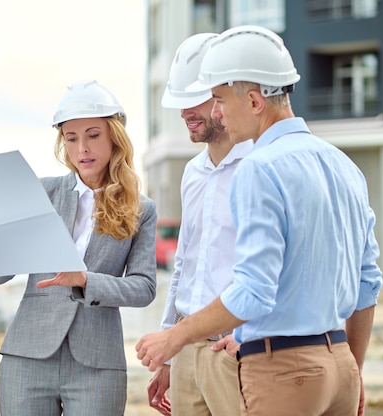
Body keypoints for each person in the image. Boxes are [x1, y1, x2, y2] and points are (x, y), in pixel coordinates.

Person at [136, 25, 383, 416]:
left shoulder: (259, 167)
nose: (215, 110)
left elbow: (253, 291)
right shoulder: (345, 165)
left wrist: (173, 337)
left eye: (217, 99)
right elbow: (367, 283)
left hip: (281, 366)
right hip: (338, 363)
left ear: (253, 101)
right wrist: (352, 365)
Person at [0, 80, 157, 416]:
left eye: (93, 135)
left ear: (115, 136)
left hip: (97, 363)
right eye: (71, 138)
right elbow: (2, 270)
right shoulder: (41, 192)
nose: (81, 148)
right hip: (27, 357)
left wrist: (86, 280)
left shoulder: (141, 209)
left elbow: (144, 288)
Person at [147, 33, 252, 416]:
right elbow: (185, 268)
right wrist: (169, 351)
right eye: (180, 101)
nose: (184, 112)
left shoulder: (262, 166)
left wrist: (249, 337)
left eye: (198, 99)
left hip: (236, 349)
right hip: (188, 350)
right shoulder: (192, 173)